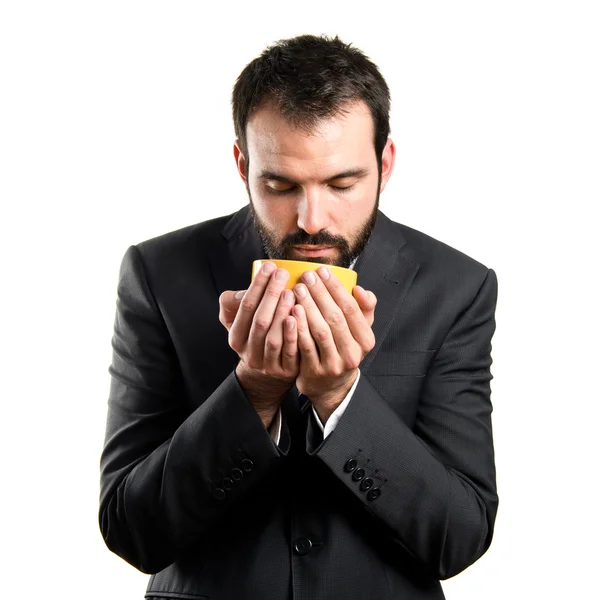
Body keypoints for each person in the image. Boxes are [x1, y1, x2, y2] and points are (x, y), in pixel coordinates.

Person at [99, 34, 499, 599]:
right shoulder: (159, 273)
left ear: (385, 163)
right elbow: (129, 530)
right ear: (243, 165)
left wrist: (341, 398)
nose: (313, 219)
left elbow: (458, 537)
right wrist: (252, 393)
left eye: (343, 183)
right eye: (281, 185)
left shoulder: (457, 287)